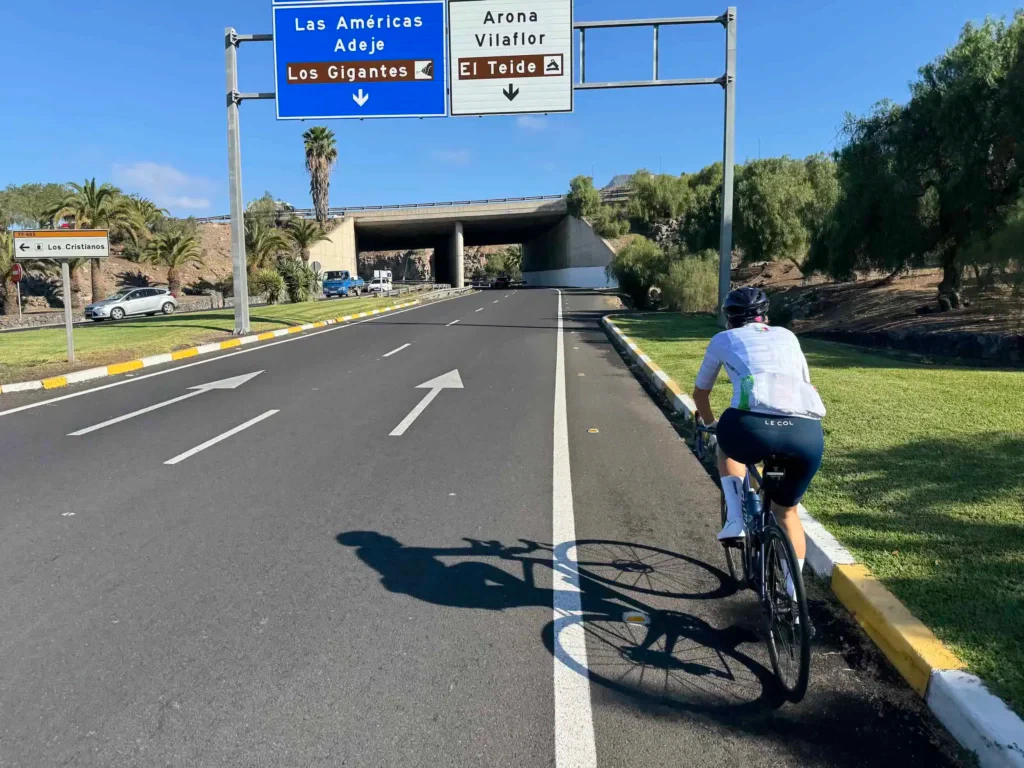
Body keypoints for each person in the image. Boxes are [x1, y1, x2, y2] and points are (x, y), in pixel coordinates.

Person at [692, 287, 826, 595]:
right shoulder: (788, 337)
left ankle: (736, 519)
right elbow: (807, 385)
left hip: (751, 429)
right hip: (804, 434)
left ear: (730, 318)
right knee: (788, 512)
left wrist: (712, 425)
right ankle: (794, 602)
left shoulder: (722, 339)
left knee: (727, 438)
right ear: (765, 316)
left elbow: (701, 394)